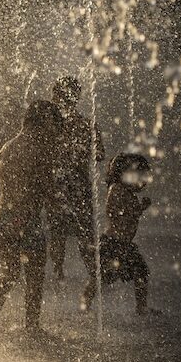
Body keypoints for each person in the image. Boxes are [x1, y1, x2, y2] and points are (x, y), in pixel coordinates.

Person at [0, 100, 62, 338]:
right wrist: (59, 207)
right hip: (27, 219)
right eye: (54, 126)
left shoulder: (7, 147)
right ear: (44, 123)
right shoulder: (39, 149)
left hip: (5, 217)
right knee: (35, 275)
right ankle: (32, 326)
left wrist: (10, 207)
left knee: (9, 273)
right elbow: (48, 189)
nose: (55, 133)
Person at [47, 76, 105, 298]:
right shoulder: (86, 125)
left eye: (55, 95)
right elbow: (99, 154)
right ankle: (92, 273)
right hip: (78, 186)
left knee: (58, 231)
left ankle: (58, 273)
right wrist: (81, 150)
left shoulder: (51, 127)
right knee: (82, 232)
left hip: (60, 186)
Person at [89, 153, 160, 316]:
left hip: (123, 244)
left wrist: (139, 208)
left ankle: (141, 306)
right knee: (102, 275)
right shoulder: (117, 189)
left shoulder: (126, 191)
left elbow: (128, 213)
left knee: (139, 272)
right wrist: (140, 208)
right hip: (113, 242)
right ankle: (85, 301)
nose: (141, 180)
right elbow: (119, 212)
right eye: (138, 175)